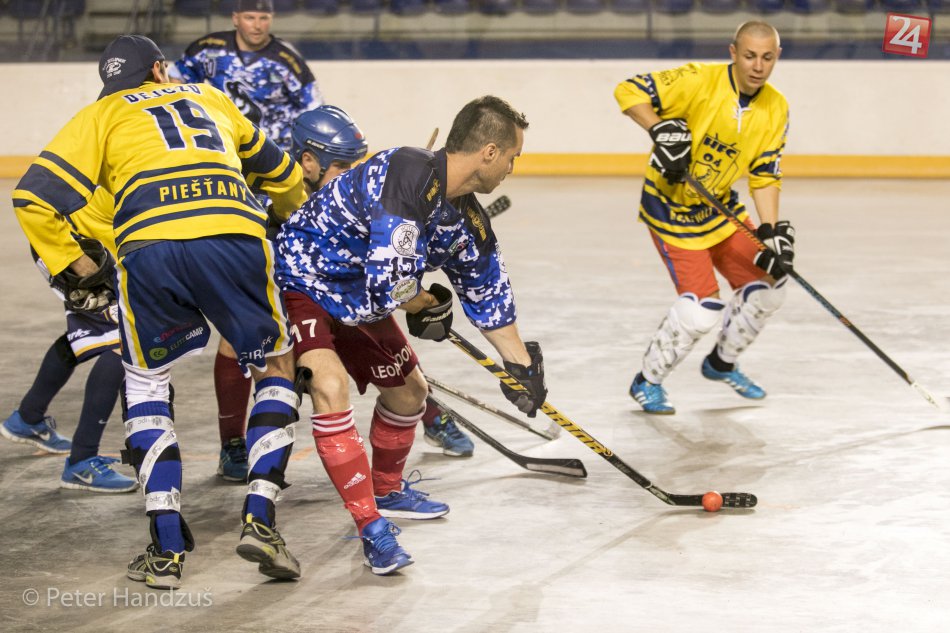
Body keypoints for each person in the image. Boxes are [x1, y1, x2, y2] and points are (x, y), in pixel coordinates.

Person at [13, 34, 307, 589]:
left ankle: (166, 547)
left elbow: (31, 197)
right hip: (233, 233)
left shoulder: (101, 113)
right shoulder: (209, 96)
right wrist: (291, 224)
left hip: (149, 248)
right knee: (275, 368)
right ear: (160, 68)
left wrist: (76, 266)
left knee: (146, 384)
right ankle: (262, 520)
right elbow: (285, 175)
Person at [272, 95, 545, 574]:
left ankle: (387, 490)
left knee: (410, 393)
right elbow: (393, 281)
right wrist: (426, 304)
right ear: (488, 152)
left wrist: (519, 365)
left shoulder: (468, 219)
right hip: (305, 280)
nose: (511, 168)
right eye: (511, 156)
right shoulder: (406, 171)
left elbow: (488, 291)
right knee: (330, 387)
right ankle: (370, 526)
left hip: (361, 295)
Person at [167, 0, 323, 481]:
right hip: (224, 186)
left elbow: (311, 118)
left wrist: (300, 178)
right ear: (235, 18)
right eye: (250, 16)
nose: (258, 24)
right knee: (238, 324)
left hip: (275, 181)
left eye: (265, 17)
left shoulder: (289, 61)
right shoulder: (204, 51)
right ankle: (232, 442)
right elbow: (166, 95)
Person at [614, 20, 794, 415]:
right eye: (749, 56)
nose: (758, 66)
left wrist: (770, 231)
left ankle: (721, 363)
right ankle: (647, 381)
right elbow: (627, 90)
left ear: (777, 56)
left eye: (767, 57)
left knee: (771, 283)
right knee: (701, 311)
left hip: (720, 209)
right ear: (733, 53)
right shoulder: (698, 79)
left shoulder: (776, 106)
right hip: (671, 211)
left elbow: (765, 174)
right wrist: (660, 129)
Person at [2, 202, 136, 493]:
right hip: (77, 247)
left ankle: (28, 417)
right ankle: (81, 461)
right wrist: (75, 257)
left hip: (92, 239)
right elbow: (30, 196)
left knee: (91, 332)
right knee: (123, 341)